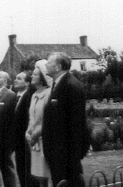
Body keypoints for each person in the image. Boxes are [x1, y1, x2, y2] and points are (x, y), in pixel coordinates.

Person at [43, 52, 88, 187]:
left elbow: (76, 125)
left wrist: (73, 159)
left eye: (49, 62)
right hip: (57, 154)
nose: (45, 65)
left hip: (66, 157)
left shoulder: (70, 86)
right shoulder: (58, 84)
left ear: (58, 67)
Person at [25, 60, 52, 187]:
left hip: (45, 140)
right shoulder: (34, 95)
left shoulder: (49, 94)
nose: (31, 76)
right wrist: (28, 132)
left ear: (42, 78)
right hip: (34, 142)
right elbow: (32, 118)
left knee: (47, 175)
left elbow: (48, 118)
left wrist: (36, 133)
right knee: (39, 177)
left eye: (35, 74)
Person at [13, 71, 39, 187]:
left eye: (19, 78)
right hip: (18, 143)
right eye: (15, 78)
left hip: (27, 142)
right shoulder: (15, 97)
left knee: (30, 175)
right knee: (21, 173)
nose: (15, 80)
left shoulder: (30, 96)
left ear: (27, 83)